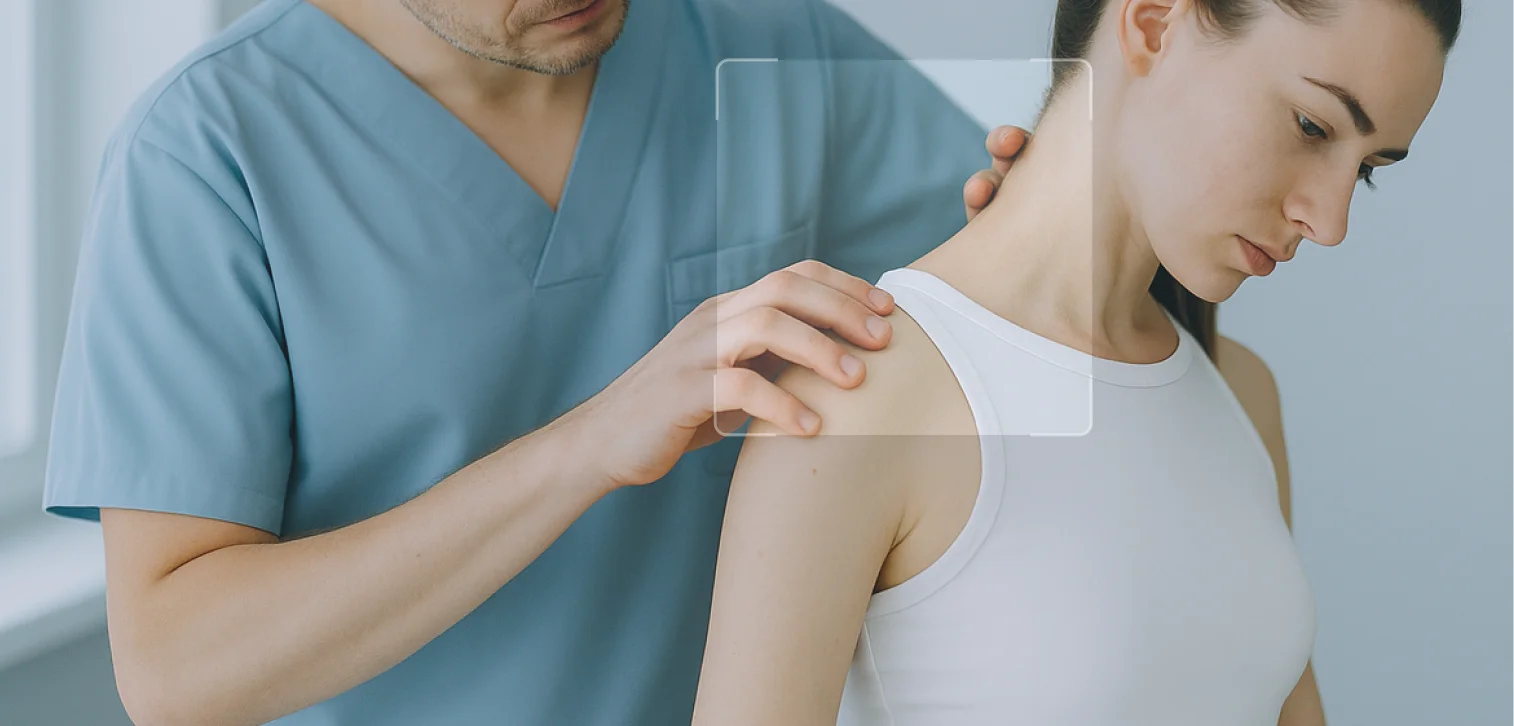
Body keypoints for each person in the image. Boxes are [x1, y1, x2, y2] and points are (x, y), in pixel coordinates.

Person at [39, 0, 1032, 724]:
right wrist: (588, 445)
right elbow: (174, 671)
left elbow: (1000, 293)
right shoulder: (205, 152)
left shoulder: (762, 41)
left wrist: (1035, 233)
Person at [690, 0, 1461, 724]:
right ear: (1153, 24)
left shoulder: (1240, 394)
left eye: (1367, 167)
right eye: (1312, 126)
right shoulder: (860, 400)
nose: (1330, 221)